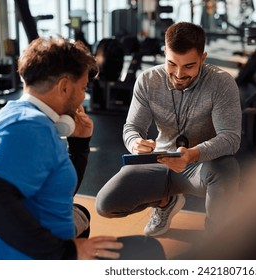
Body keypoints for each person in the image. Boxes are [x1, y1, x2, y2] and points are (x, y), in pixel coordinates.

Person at [0, 37, 164, 260]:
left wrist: (79, 145)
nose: (83, 96)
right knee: (147, 250)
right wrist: (68, 251)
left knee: (80, 214)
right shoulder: (28, 127)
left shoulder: (16, 115)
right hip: (30, 257)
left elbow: (60, 193)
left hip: (45, 244)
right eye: (83, 88)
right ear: (63, 87)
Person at [96, 22, 242, 236]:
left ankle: (216, 238)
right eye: (172, 63)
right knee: (106, 204)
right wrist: (135, 142)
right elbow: (132, 127)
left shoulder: (221, 83)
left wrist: (193, 154)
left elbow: (230, 138)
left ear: (203, 58)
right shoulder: (148, 80)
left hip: (200, 166)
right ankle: (165, 202)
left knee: (227, 169)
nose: (179, 74)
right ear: (165, 52)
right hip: (160, 162)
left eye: (189, 66)